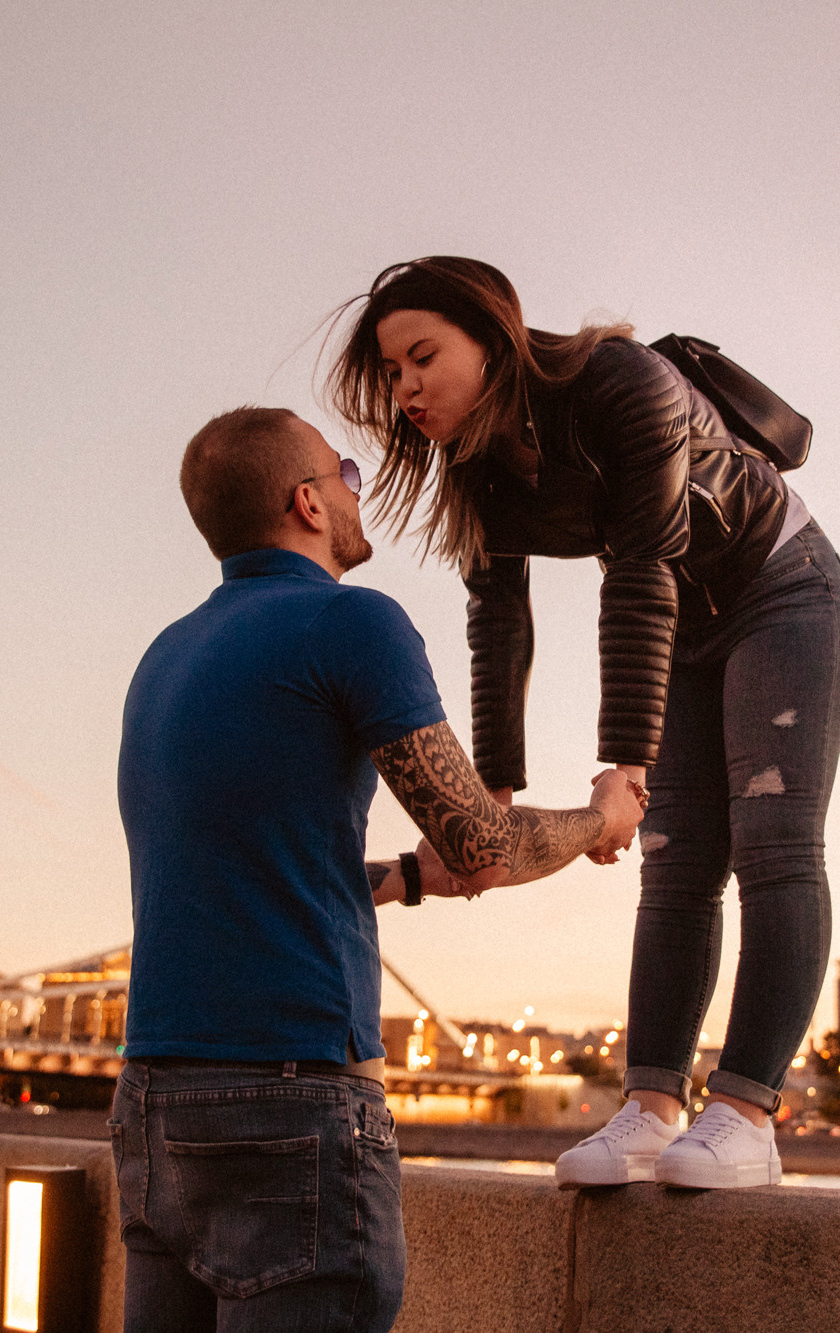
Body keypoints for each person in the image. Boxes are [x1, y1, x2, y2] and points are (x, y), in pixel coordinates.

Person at [113, 405, 644, 1331]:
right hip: (293, 1099)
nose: (359, 493)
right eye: (345, 476)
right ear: (308, 502)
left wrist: (404, 872)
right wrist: (602, 813)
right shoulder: (352, 622)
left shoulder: (164, 656)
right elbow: (484, 838)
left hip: (154, 1102)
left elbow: (247, 869)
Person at [331, 258, 840, 1190]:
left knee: (773, 840)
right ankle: (652, 1110)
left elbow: (642, 572)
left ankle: (744, 1113)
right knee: (677, 858)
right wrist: (485, 800)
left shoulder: (623, 384)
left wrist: (623, 762)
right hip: (686, 627)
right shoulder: (478, 469)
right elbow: (499, 621)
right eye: (391, 373)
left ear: (493, 338)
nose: (405, 387)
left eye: (423, 357)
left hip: (782, 589)